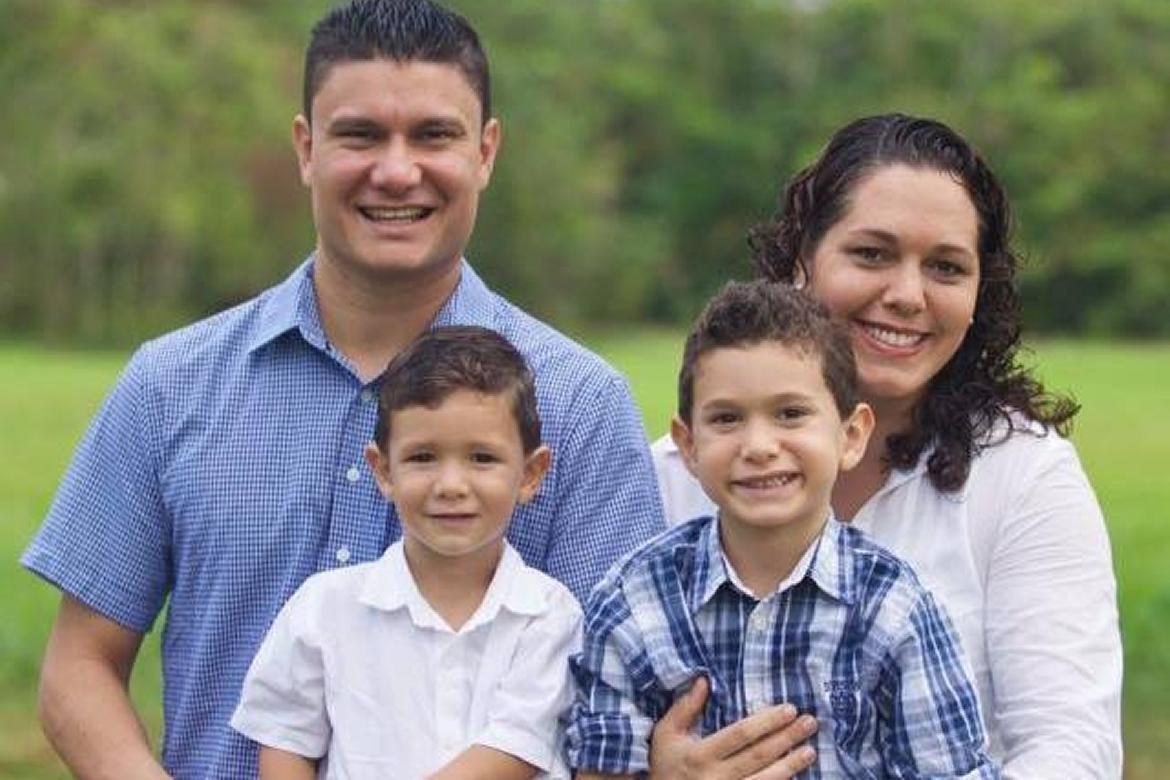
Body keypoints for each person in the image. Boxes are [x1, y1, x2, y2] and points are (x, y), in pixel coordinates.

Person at [20, 1, 662, 776]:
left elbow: (618, 700)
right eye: (360, 135)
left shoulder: (582, 406)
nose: (396, 170)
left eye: (434, 135)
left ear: (486, 151)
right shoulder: (169, 386)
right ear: (306, 148)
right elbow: (78, 668)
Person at [650, 114, 1121, 778]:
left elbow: (1071, 744)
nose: (906, 295)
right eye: (872, 254)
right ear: (801, 262)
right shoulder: (673, 477)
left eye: (946, 267)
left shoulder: (1023, 476)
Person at [568, 280, 1000, 778]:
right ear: (688, 445)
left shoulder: (895, 609)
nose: (759, 446)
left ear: (851, 435)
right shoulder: (634, 602)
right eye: (727, 418)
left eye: (791, 414)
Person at [232, 326, 580, 779]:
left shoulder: (549, 615)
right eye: (422, 458)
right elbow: (285, 740)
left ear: (531, 474)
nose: (451, 486)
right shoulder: (325, 608)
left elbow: (514, 749)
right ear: (383, 470)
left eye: (482, 458)